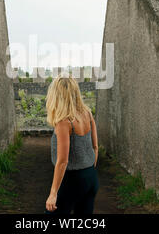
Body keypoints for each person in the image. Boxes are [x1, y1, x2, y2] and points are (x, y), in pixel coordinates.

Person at [44, 75, 99, 214]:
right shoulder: (87, 113)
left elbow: (62, 161)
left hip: (71, 181)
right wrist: (88, 171)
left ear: (56, 95)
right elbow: (95, 147)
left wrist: (53, 193)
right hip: (91, 177)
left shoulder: (64, 122)